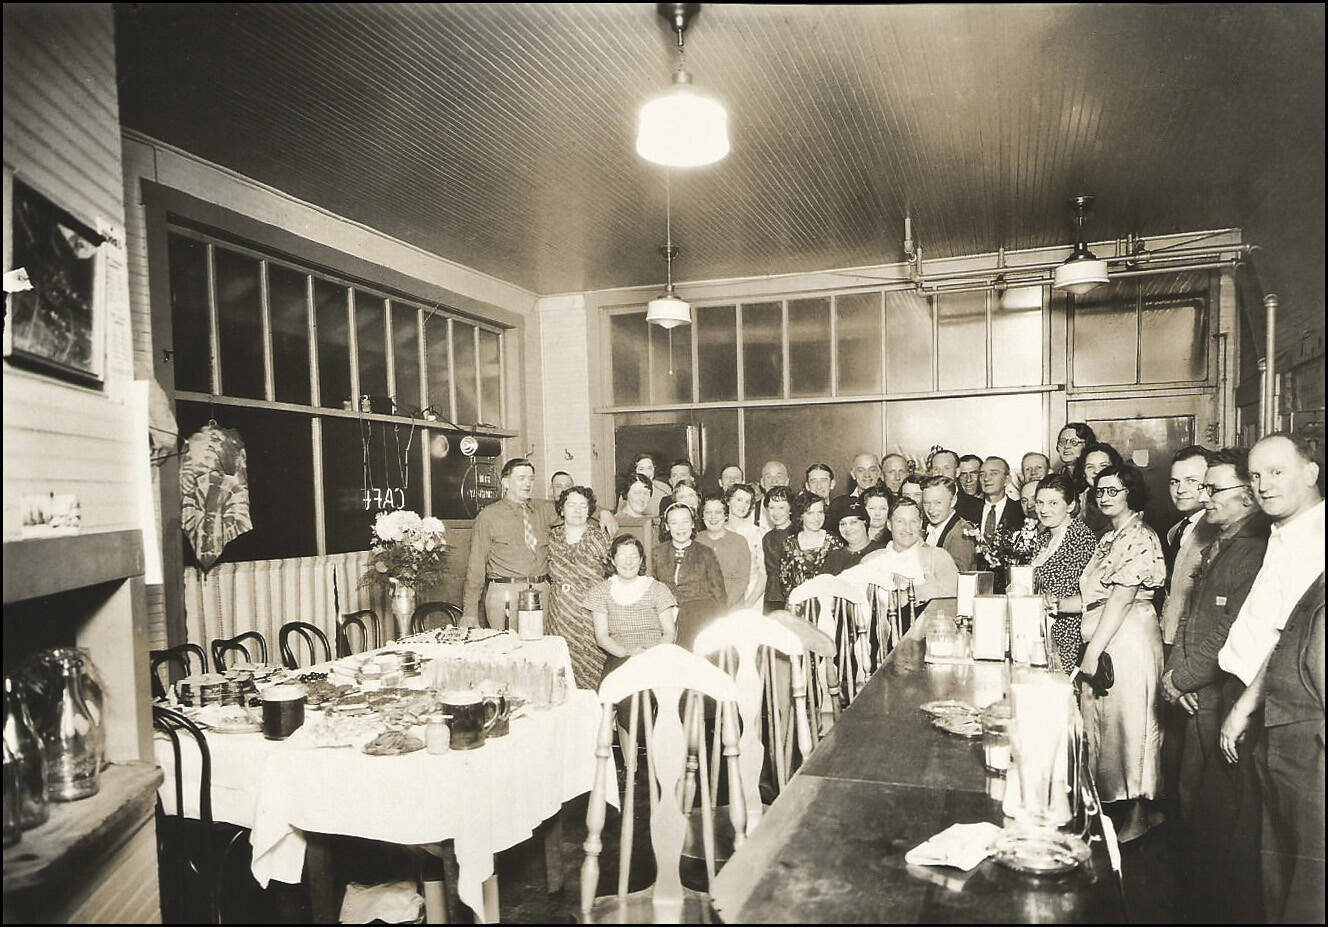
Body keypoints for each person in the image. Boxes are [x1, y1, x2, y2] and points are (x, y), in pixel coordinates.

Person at [1215, 433, 1324, 924]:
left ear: (1311, 472)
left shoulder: (1314, 541)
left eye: (1277, 472)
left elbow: (1291, 640)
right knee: (1261, 850)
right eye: (1256, 475)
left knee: (1288, 857)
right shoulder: (1284, 530)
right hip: (1254, 697)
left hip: (1275, 707)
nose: (1263, 484)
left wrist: (1242, 707)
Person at [1159, 449, 1267, 922]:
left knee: (1215, 816)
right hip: (1193, 694)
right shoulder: (1219, 542)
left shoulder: (1254, 550)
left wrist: (1181, 677)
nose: (1205, 498)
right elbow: (1187, 617)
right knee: (1191, 802)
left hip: (1216, 697)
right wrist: (1175, 676)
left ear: (1247, 496)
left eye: (1213, 488)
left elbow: (1231, 631)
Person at [1052, 464, 1166, 842]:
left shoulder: (1140, 536)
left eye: (1113, 491)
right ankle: (1118, 810)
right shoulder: (1109, 537)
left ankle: (1139, 815)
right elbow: (1091, 596)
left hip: (1127, 640)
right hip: (1105, 636)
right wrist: (1047, 603)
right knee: (1107, 727)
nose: (1104, 498)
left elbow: (1119, 599)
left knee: (1132, 727)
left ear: (1131, 493)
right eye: (1099, 492)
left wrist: (1091, 652)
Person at [588, 534, 678, 729]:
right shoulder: (600, 591)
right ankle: (631, 759)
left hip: (656, 655)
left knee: (669, 697)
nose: (628, 561)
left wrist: (651, 654)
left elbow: (669, 632)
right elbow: (602, 637)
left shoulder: (657, 588)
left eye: (634, 556)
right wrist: (628, 653)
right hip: (620, 654)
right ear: (612, 560)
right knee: (625, 698)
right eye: (622, 556)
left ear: (641, 560)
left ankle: (659, 748)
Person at [462, 458, 554, 629]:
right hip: (505, 593)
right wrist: (469, 612)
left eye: (531, 478)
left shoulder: (543, 509)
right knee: (507, 650)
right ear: (505, 482)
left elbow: (576, 505)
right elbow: (476, 567)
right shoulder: (488, 516)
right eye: (521, 478)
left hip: (541, 592)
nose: (528, 483)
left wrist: (604, 514)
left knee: (538, 650)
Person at [1030, 473, 1099, 674]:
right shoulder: (1043, 538)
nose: (1044, 509)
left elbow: (1084, 594)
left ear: (1070, 506)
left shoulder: (1080, 537)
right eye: (1040, 502)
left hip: (1068, 634)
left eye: (1053, 503)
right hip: (1044, 632)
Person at [546, 485, 611, 690]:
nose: (577, 510)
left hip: (591, 614)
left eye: (583, 506)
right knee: (561, 669)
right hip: (560, 614)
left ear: (590, 510)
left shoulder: (600, 537)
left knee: (592, 667)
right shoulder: (552, 538)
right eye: (571, 505)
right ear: (561, 509)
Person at [1160, 446, 1217, 647]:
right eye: (1175, 482)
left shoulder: (1216, 531)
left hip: (1196, 642)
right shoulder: (1174, 531)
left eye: (1192, 481)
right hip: (1169, 637)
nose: (1180, 490)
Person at [651, 502, 725, 651]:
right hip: (666, 618)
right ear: (666, 526)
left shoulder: (705, 553)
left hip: (700, 618)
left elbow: (719, 594)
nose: (680, 528)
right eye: (674, 523)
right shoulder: (657, 553)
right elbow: (651, 587)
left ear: (692, 524)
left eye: (685, 522)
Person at [859, 498, 959, 600]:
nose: (907, 528)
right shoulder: (870, 560)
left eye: (913, 521)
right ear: (889, 525)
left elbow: (953, 592)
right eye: (900, 521)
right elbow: (855, 604)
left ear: (920, 524)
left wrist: (908, 592)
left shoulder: (938, 557)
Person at [779, 490, 844, 597]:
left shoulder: (834, 541)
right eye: (810, 513)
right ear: (801, 516)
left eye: (820, 512)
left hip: (829, 604)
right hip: (798, 604)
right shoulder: (789, 544)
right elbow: (785, 580)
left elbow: (841, 579)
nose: (817, 518)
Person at [696, 495, 751, 609]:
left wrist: (724, 605)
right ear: (702, 516)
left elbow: (742, 579)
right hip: (703, 607)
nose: (713, 517)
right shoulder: (697, 540)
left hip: (731, 608)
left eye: (718, 512)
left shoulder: (739, 541)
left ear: (725, 515)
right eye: (708, 512)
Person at [921, 475, 978, 572]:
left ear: (953, 501)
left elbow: (955, 576)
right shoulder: (927, 527)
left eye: (938, 503)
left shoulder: (962, 533)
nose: (931, 510)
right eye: (926, 503)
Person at [724, 483, 767, 609]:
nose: (743, 505)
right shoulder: (718, 531)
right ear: (728, 501)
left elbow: (764, 573)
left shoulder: (757, 533)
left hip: (752, 597)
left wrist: (748, 604)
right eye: (739, 500)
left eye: (747, 502)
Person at [1074, 442, 1124, 537]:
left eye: (1103, 466)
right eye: (1090, 467)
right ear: (1083, 473)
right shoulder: (1078, 502)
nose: (1097, 471)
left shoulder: (1125, 499)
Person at [823, 501, 886, 574]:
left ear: (865, 522)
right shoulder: (834, 558)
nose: (848, 528)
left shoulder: (882, 551)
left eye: (853, 522)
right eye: (843, 524)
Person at [761, 486, 797, 611]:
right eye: (771, 507)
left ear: (790, 509)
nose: (776, 513)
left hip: (796, 597)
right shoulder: (767, 538)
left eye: (781, 507)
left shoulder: (799, 533)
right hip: (773, 597)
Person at [827, 453, 880, 532]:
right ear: (853, 474)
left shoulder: (890, 502)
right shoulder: (840, 505)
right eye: (861, 470)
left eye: (872, 470)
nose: (867, 474)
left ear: (879, 473)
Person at [933, 448, 982, 522]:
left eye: (947, 468)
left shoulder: (976, 506)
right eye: (936, 469)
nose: (940, 473)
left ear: (957, 472)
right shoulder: (924, 502)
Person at [626, 452, 671, 516]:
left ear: (654, 469)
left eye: (649, 468)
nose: (646, 472)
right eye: (641, 469)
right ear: (635, 471)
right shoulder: (628, 490)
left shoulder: (664, 488)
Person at [753, 459, 791, 529]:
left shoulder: (797, 509)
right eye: (768, 477)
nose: (774, 481)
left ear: (787, 481)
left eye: (779, 476)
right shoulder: (751, 509)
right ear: (762, 482)